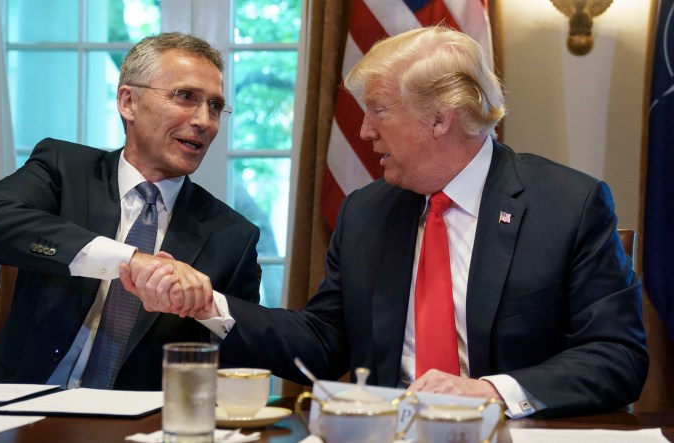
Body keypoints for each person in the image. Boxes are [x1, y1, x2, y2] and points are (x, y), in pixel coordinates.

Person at [128, 25, 648, 418]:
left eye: (377, 109)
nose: (363, 129)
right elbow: (322, 341)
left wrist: (493, 389)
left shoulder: (567, 205)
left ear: (440, 118)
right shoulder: (368, 212)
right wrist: (207, 304)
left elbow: (616, 356)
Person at [0, 32, 261, 391]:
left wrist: (204, 306)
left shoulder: (232, 238)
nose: (204, 121)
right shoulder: (64, 170)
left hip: (135, 425)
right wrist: (130, 260)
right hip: (11, 407)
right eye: (185, 97)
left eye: (214, 106)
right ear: (128, 101)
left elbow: (240, 371)